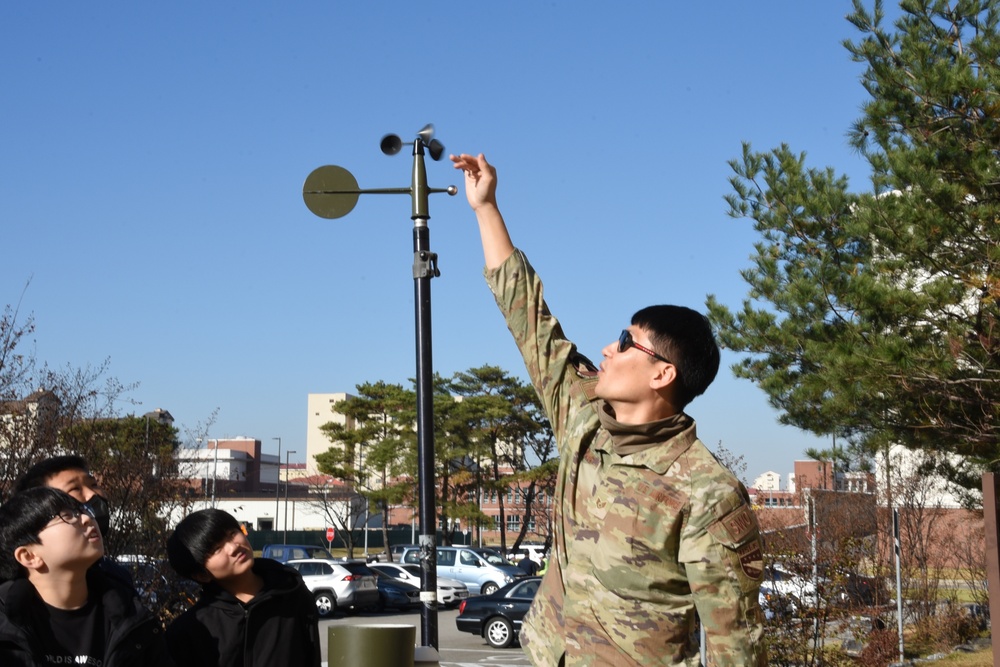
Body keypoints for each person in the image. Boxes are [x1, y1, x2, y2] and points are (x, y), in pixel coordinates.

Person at [450, 152, 767, 666]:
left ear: (664, 374)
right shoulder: (583, 419)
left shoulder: (707, 493)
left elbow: (737, 644)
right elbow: (527, 316)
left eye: (626, 341)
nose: (608, 348)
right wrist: (485, 207)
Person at [0, 486, 169, 666]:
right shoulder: (5, 627)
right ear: (29, 556)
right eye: (66, 516)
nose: (88, 519)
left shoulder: (133, 620)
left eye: (81, 511)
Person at [165, 508, 320, 667]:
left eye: (232, 534)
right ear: (201, 574)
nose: (233, 547)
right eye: (217, 549)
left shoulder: (292, 595)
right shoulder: (189, 630)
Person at [15, 455, 132, 587]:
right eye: (75, 489)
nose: (92, 494)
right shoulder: (10, 601)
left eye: (94, 485)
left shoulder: (120, 585)